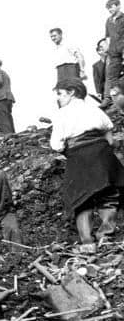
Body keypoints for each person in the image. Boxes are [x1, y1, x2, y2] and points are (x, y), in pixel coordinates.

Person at [50, 77, 124, 253]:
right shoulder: (95, 110)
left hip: (79, 157)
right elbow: (109, 131)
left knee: (82, 199)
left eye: (60, 94)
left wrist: (67, 151)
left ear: (72, 93)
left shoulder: (62, 114)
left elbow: (57, 145)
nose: (59, 98)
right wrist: (106, 144)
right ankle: (106, 236)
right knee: (108, 195)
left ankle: (87, 242)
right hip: (102, 155)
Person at [104, 0, 124, 105]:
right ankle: (111, 97)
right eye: (108, 8)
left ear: (118, 6)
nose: (110, 10)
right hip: (113, 52)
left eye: (112, 7)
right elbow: (107, 36)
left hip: (123, 48)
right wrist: (108, 47)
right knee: (111, 74)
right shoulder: (109, 20)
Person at [94, 38, 109, 103]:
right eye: (100, 48)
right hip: (104, 91)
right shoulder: (96, 65)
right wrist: (98, 92)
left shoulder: (112, 60)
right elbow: (96, 80)